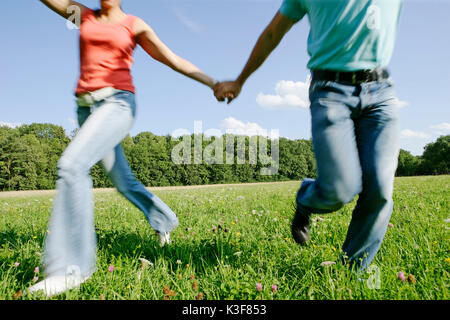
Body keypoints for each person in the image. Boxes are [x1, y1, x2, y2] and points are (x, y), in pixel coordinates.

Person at [29, 0, 216, 296]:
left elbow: (172, 59)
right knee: (122, 180)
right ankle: (164, 219)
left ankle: (70, 269)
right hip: (85, 109)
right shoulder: (83, 14)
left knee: (71, 166)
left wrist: (213, 83)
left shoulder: (134, 25)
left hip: (117, 103)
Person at [214, 0, 403, 271]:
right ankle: (306, 198)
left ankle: (353, 272)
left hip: (381, 92)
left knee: (380, 191)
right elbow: (271, 33)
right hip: (331, 91)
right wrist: (240, 80)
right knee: (340, 190)